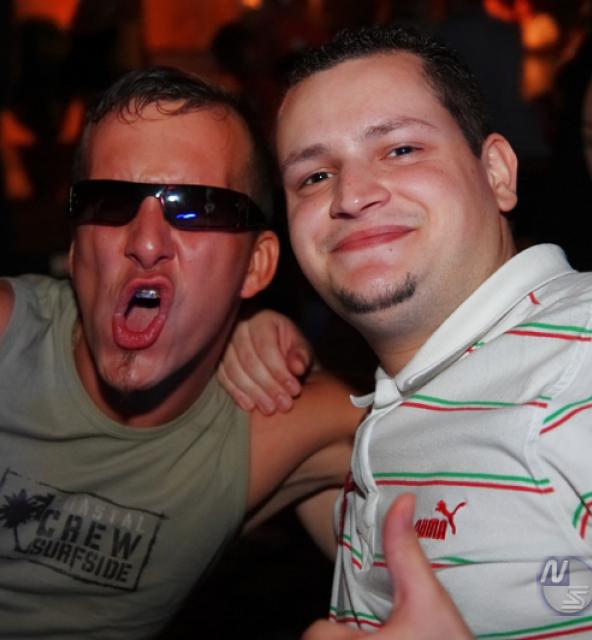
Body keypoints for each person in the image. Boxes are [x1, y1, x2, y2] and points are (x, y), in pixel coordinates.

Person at [221, 25, 592, 638]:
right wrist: (243, 343)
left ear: (497, 172)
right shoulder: (402, 410)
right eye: (314, 177)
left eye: (400, 149)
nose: (351, 195)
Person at [0, 65, 361, 638]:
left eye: (197, 209)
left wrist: (302, 362)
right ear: (75, 249)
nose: (146, 242)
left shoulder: (274, 423)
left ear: (256, 265)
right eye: (110, 202)